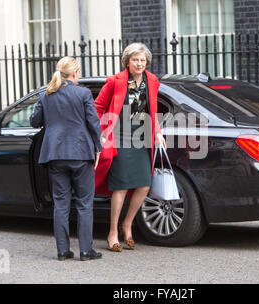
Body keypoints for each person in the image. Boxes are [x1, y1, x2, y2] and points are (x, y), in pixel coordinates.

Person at [94, 43, 166, 252]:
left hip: (141, 137)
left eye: (143, 60)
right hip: (119, 136)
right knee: (121, 185)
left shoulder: (152, 81)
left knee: (144, 184)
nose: (139, 64)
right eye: (135, 60)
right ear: (127, 61)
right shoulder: (115, 81)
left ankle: (128, 224)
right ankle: (113, 231)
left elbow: (152, 110)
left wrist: (158, 132)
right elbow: (98, 107)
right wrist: (100, 131)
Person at [30, 56, 103, 261]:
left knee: (61, 204)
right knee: (84, 203)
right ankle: (86, 251)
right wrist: (98, 146)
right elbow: (94, 123)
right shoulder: (83, 93)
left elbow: (34, 121)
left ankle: (63, 251)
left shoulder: (47, 94)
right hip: (81, 153)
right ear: (74, 73)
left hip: (55, 154)